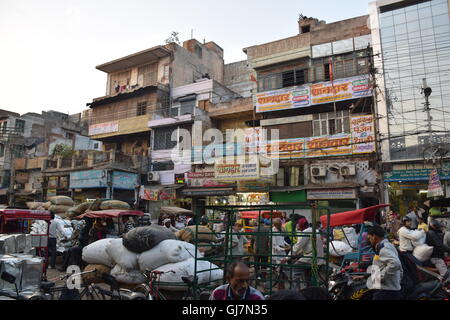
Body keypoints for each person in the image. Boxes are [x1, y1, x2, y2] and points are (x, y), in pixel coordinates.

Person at [364, 225, 403, 300]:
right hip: (388, 288)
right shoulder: (385, 246)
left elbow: (395, 263)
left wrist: (381, 276)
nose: (369, 240)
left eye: (369, 238)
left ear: (374, 236)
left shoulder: (384, 248)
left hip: (386, 290)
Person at [289, 221, 325, 289]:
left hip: (311, 258)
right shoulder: (315, 231)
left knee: (294, 270)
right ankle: (309, 291)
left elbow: (298, 246)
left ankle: (296, 291)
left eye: (298, 225)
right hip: (318, 257)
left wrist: (287, 257)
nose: (297, 227)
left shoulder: (306, 232)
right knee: (308, 276)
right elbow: (307, 245)